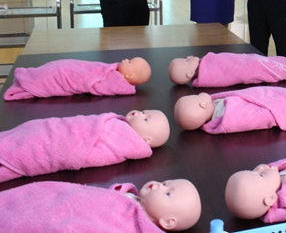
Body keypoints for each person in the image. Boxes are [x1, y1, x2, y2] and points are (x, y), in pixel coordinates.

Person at [0, 110, 169, 183]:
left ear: (146, 140)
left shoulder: (121, 143)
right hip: (58, 128)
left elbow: (92, 155)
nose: (138, 113)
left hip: (57, 143)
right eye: (144, 111)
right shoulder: (118, 123)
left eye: (145, 118)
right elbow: (83, 123)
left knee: (32, 146)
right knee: (33, 132)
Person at [0, 179, 201, 232]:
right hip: (70, 200)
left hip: (70, 219)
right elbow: (98, 198)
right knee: (42, 195)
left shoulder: (133, 226)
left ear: (167, 222)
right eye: (165, 182)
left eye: (167, 193)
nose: (159, 185)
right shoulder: (128, 196)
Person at [173, 87, 286, 132]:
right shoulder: (227, 114)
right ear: (202, 105)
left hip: (264, 96)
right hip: (269, 104)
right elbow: (255, 117)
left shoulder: (215, 108)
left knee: (279, 96)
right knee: (285, 101)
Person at [5, 57, 151, 100]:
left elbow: (94, 84)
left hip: (76, 75)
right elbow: (92, 67)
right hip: (81, 68)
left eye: (129, 62)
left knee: (61, 71)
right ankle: (33, 75)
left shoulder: (115, 83)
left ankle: (31, 80)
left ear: (129, 76)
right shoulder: (114, 71)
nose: (125, 59)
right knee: (62, 65)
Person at [167, 52, 286, 87]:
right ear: (190, 73)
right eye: (186, 60)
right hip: (248, 66)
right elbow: (231, 71)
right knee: (269, 66)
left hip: (245, 59)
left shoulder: (205, 63)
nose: (189, 56)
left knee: (272, 61)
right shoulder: (208, 71)